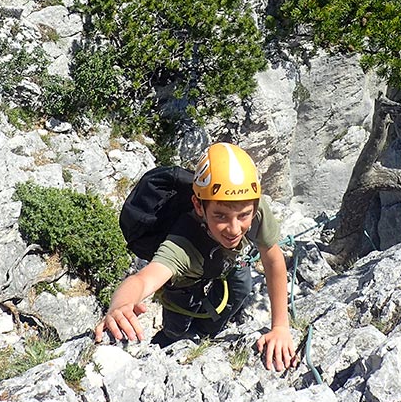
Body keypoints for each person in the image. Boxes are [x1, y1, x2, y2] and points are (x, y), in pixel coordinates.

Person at [95, 142, 297, 371]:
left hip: (226, 262)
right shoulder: (182, 244)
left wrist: (280, 327)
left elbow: (273, 259)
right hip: (186, 283)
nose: (233, 229)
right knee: (177, 327)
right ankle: (170, 339)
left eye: (244, 216)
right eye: (220, 216)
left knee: (242, 286)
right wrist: (120, 305)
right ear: (199, 207)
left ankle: (208, 331)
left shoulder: (255, 208)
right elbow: (144, 279)